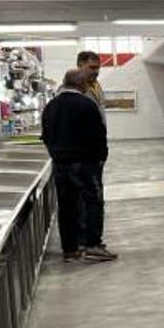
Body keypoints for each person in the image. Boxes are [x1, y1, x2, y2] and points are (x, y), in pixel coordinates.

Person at [41, 69, 116, 264]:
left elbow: (46, 136)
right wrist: (101, 157)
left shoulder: (51, 107)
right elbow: (98, 136)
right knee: (93, 202)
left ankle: (70, 249)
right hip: (84, 164)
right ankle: (92, 245)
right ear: (82, 84)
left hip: (60, 165)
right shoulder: (86, 105)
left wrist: (55, 154)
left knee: (66, 207)